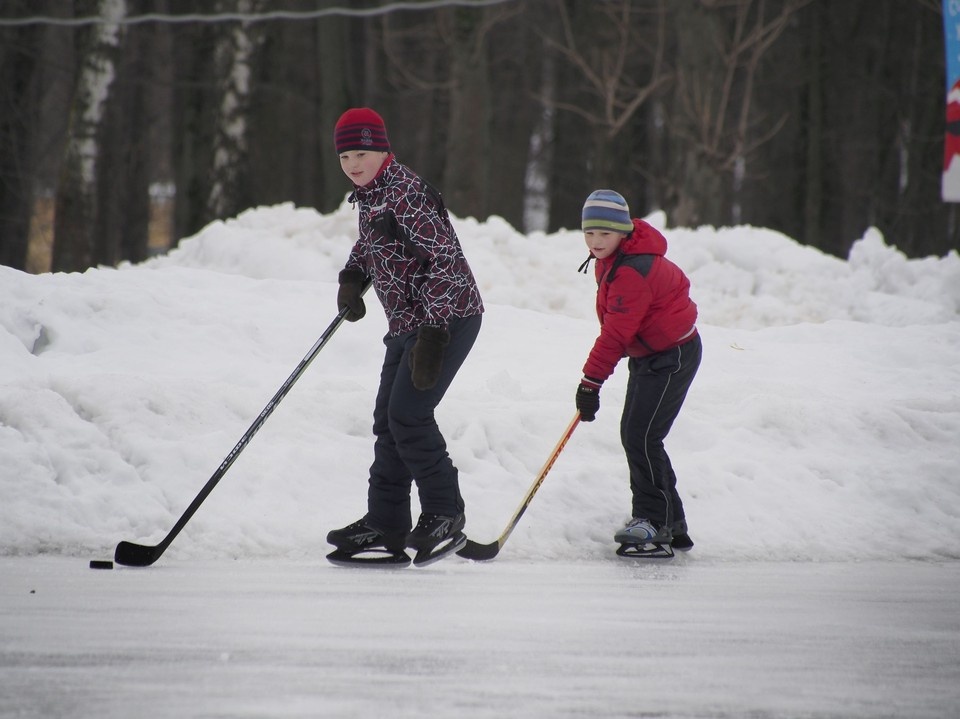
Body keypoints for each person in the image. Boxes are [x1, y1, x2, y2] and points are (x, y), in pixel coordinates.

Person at [325, 107, 484, 566]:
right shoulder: (372, 193)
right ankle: (386, 523)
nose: (353, 164)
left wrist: (433, 335)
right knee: (387, 421)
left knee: (409, 416)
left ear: (381, 150)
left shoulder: (408, 193)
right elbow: (375, 241)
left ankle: (444, 512)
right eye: (345, 156)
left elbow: (446, 263)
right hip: (408, 323)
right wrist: (354, 276)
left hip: (446, 318)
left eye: (362, 153)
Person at [574, 189, 701, 558]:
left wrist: (590, 382)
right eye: (589, 233)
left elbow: (615, 333)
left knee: (641, 436)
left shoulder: (631, 269)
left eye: (604, 234)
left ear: (623, 232)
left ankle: (652, 520)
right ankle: (671, 521)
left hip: (669, 355)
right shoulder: (616, 258)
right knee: (642, 435)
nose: (595, 242)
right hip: (651, 353)